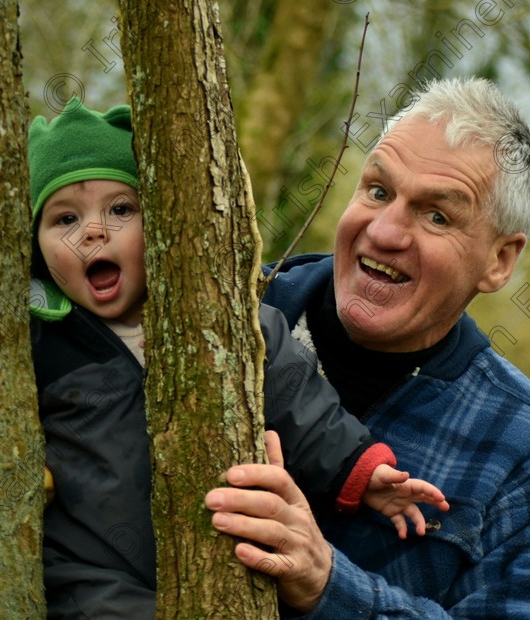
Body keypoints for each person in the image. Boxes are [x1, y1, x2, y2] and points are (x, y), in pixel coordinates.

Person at [27, 98, 449, 618]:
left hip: (217, 553)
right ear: (38, 249)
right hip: (96, 570)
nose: (93, 232)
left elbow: (296, 394)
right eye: (64, 218)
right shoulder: (42, 342)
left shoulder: (214, 318)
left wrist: (359, 473)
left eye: (121, 210)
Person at [205, 77, 530, 618]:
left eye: (437, 215)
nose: (384, 233)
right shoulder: (225, 315)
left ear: (499, 260)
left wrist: (329, 585)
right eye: (379, 191)